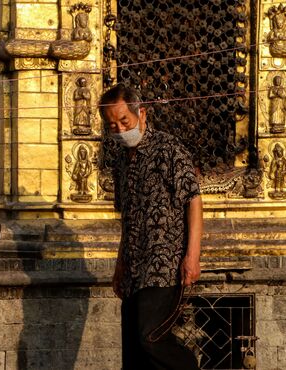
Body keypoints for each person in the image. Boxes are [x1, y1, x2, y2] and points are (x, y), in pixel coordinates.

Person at [99, 85, 203, 370]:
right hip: (134, 267)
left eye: (125, 122)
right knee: (133, 353)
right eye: (112, 125)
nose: (119, 130)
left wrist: (192, 256)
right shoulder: (121, 160)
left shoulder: (169, 149)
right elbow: (127, 217)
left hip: (163, 266)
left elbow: (193, 200)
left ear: (141, 114)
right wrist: (120, 264)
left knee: (150, 337)